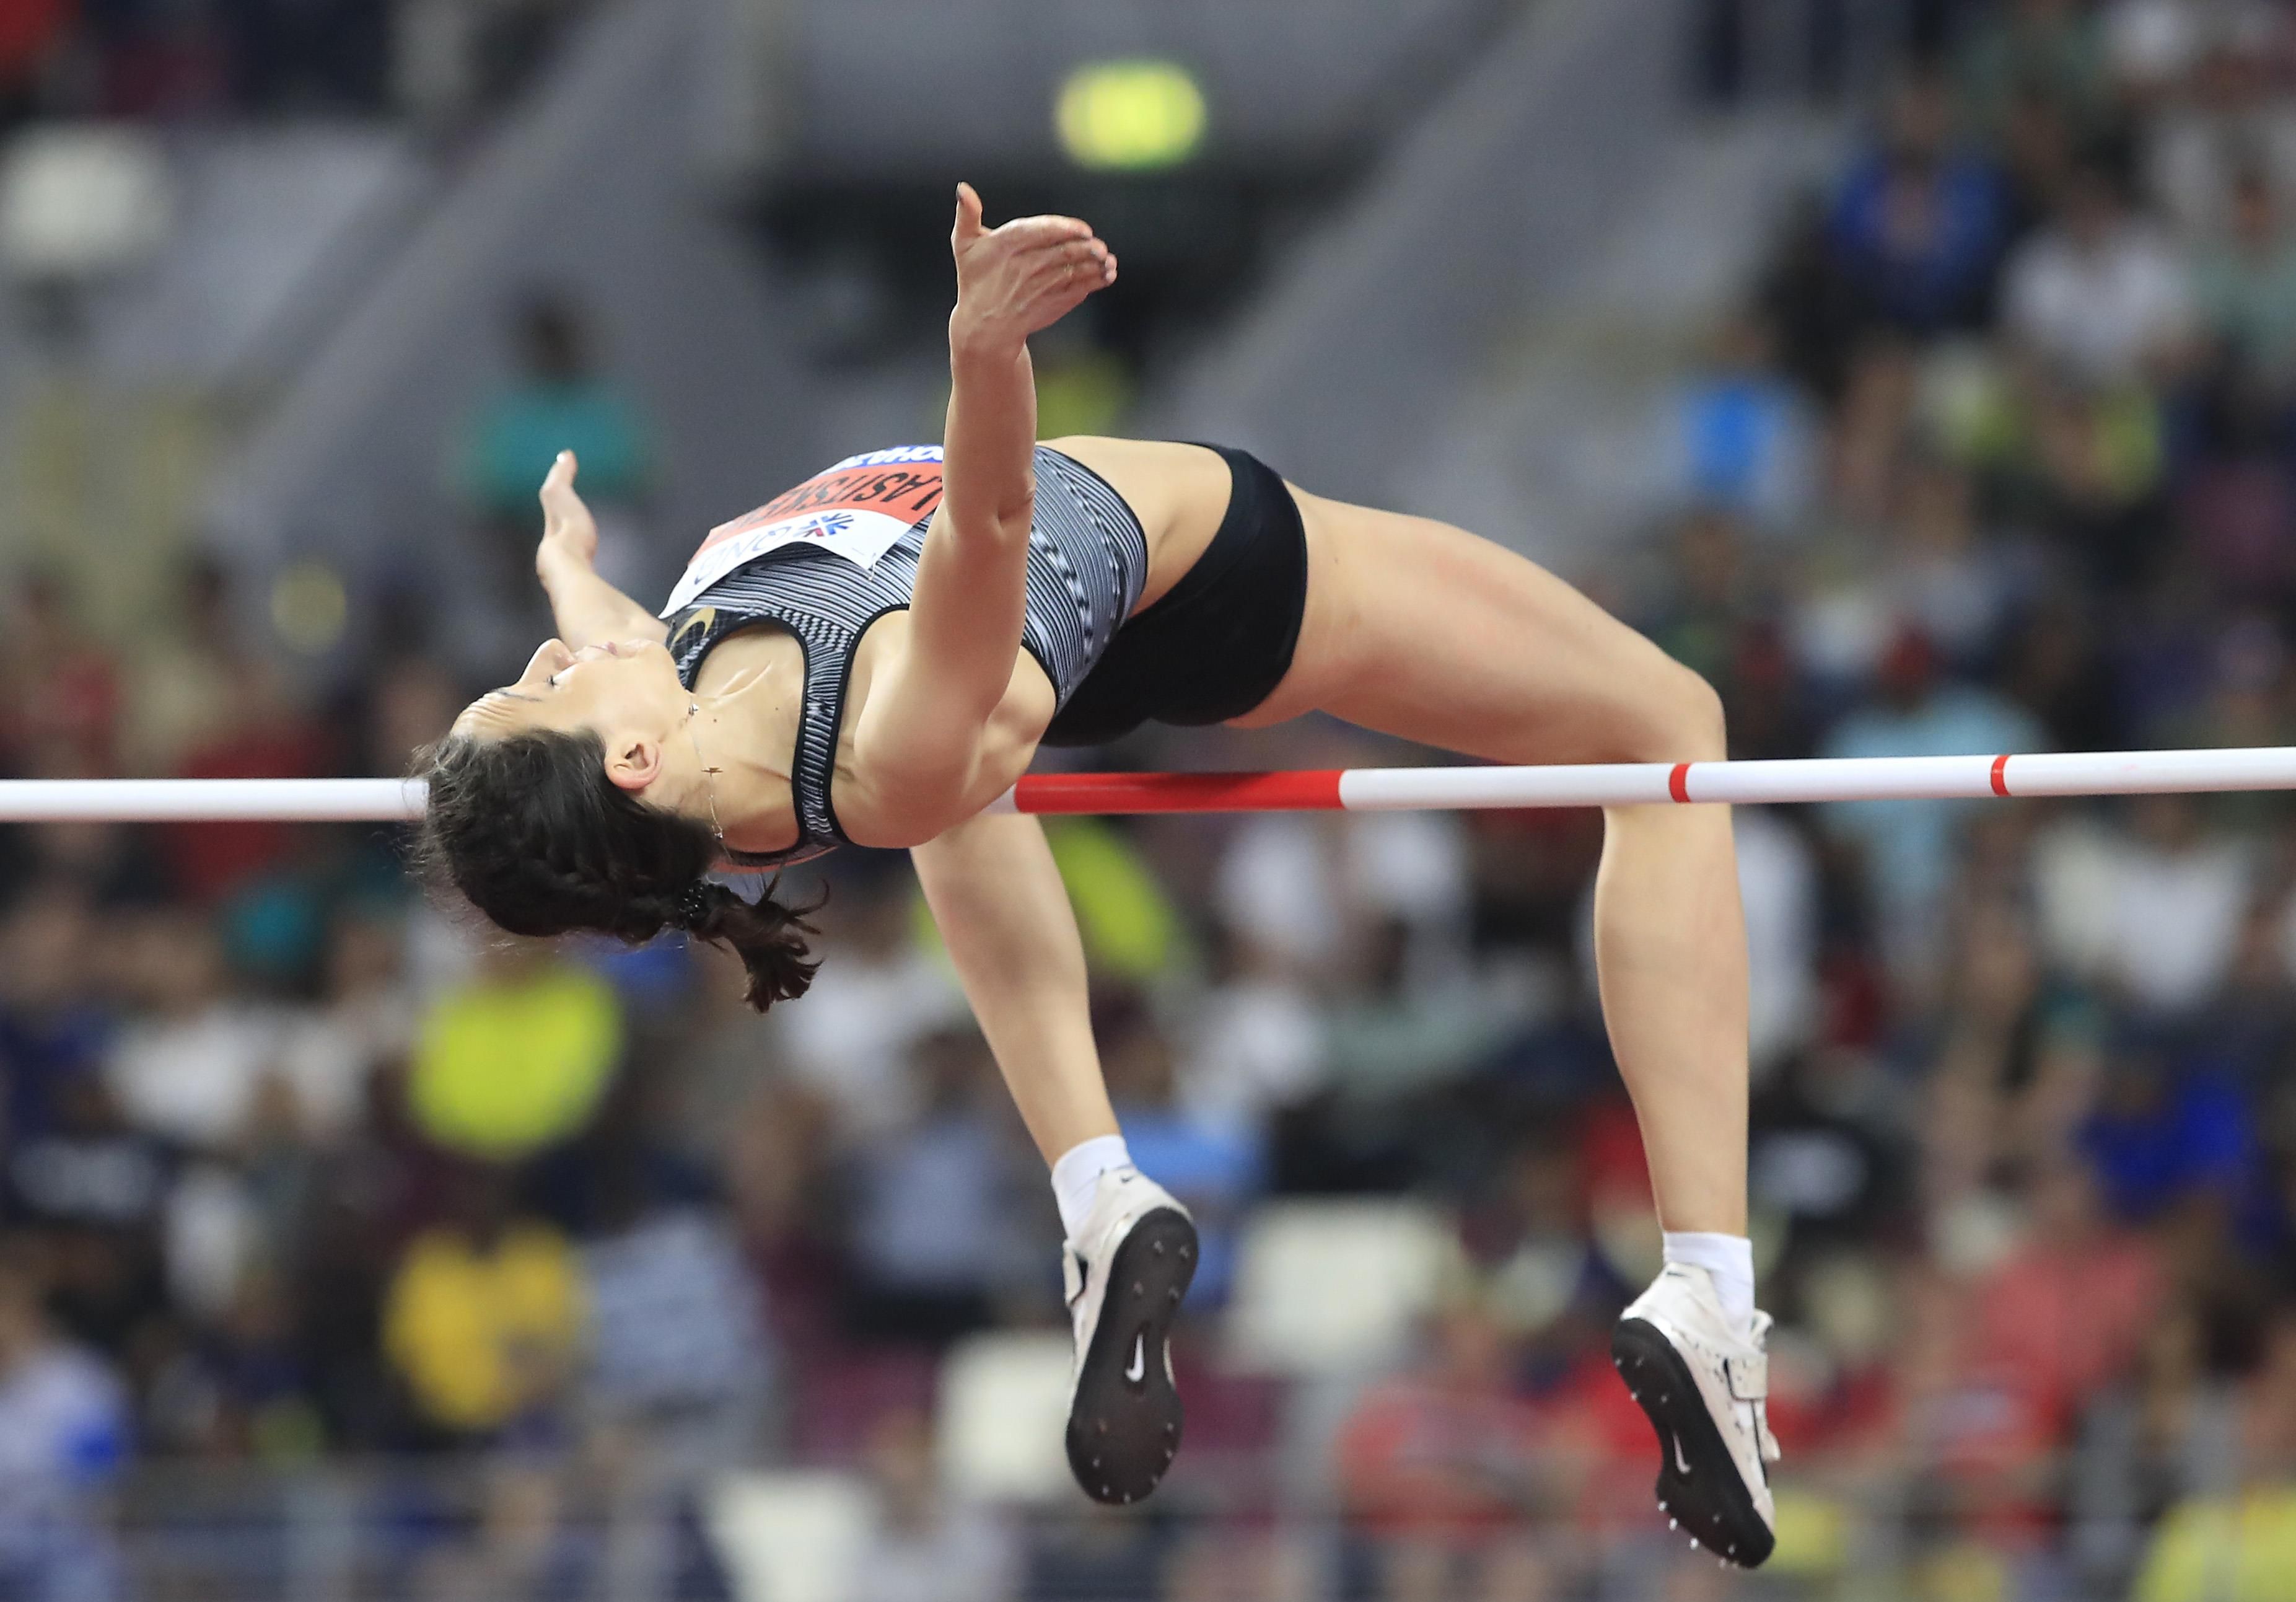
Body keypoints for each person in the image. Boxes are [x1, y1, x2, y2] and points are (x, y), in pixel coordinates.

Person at [418, 184, 1779, 1562]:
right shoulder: (876, 733)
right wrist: (983, 355)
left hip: (1009, 672)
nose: (544, 656)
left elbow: (611, 670)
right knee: (1669, 730)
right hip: (1207, 580)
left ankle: (1099, 1197)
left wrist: (565, 568)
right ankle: (1708, 1291)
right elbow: (986, 535)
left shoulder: (684, 730)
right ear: (632, 761)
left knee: (951, 794)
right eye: (535, 689)